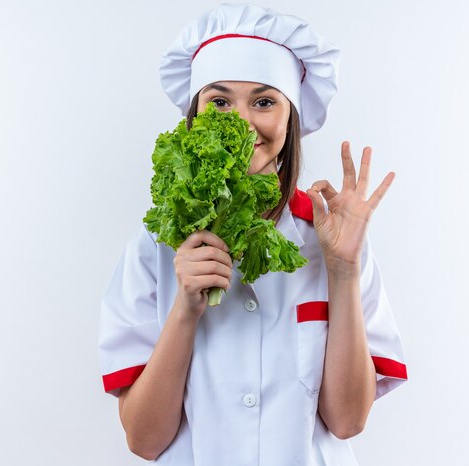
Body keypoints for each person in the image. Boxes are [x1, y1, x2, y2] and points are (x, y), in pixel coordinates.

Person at [98, 4, 407, 465]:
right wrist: (185, 309)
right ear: (195, 116)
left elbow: (346, 422)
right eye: (219, 102)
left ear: (290, 119)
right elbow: (144, 440)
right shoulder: (154, 249)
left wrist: (343, 271)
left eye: (264, 101)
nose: (241, 122)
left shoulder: (335, 241)